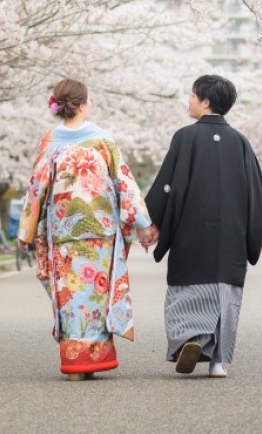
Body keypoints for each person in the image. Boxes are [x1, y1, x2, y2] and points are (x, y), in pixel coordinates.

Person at [18, 77, 158, 378]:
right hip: (100, 232)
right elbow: (124, 183)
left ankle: (75, 362)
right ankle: (90, 357)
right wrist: (144, 224)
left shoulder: (50, 140)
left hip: (64, 231)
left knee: (70, 293)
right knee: (96, 292)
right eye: (89, 100)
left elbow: (36, 188)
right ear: (81, 105)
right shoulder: (102, 140)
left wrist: (26, 231)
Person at [145, 73, 262, 379]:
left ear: (205, 101)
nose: (189, 101)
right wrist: (250, 231)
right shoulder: (240, 142)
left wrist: (154, 223)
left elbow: (168, 186)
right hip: (231, 237)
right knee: (225, 296)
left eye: (192, 95)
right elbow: (257, 195)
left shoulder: (186, 137)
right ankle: (218, 362)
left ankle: (190, 341)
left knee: (187, 293)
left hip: (191, 233)